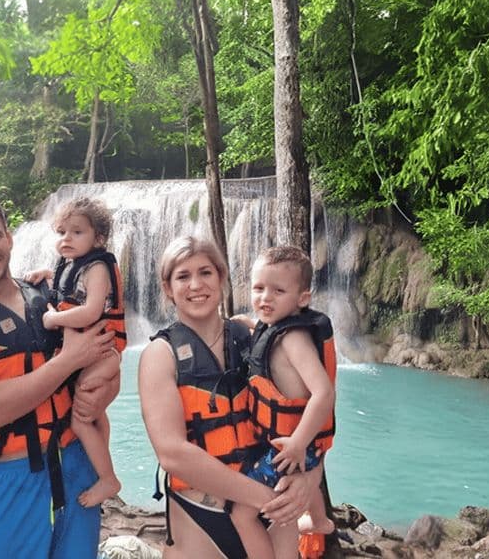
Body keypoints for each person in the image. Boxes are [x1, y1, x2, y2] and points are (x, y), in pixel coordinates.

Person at [0, 193, 119, 558]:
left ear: (9, 237)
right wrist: (66, 361)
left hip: (77, 463)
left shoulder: (49, 296)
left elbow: (101, 359)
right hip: (12, 475)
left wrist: (104, 392)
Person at [138, 236, 322, 559]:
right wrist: (261, 496)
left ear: (221, 277)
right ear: (167, 288)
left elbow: (307, 414)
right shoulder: (160, 355)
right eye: (183, 276)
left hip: (272, 511)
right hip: (201, 516)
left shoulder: (254, 337)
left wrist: (307, 480)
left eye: (206, 272)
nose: (196, 284)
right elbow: (172, 454)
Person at [229, 245, 337, 557]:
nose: (265, 298)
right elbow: (264, 340)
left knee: (241, 512)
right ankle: (319, 521)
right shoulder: (272, 327)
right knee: (292, 497)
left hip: (292, 447)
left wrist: (299, 443)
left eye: (278, 291)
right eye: (259, 288)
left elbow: (324, 392)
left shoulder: (294, 339)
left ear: (302, 298)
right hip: (300, 445)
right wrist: (250, 325)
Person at [24, 196, 125, 507]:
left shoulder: (98, 268)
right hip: (93, 352)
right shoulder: (74, 265)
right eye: (62, 232)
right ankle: (100, 465)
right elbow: (71, 287)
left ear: (98, 238)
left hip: (103, 351)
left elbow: (91, 311)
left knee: (81, 418)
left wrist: (53, 318)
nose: (67, 238)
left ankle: (108, 479)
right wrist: (47, 274)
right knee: (95, 413)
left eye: (77, 232)